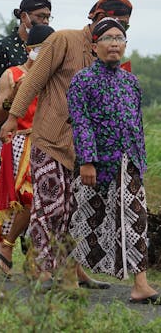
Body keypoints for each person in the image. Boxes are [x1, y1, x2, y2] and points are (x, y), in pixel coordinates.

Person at [0, 0, 133, 289]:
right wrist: (12, 118)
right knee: (50, 208)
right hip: (50, 140)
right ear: (94, 18)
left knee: (75, 212)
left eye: (121, 28)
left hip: (84, 150)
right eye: (109, 22)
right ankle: (40, 271)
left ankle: (72, 271)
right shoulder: (64, 40)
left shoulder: (108, 54)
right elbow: (33, 80)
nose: (115, 32)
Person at [67, 18, 160, 304]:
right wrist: (87, 161)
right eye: (108, 38)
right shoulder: (82, 80)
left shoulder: (131, 81)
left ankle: (140, 284)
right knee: (83, 218)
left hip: (127, 162)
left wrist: (140, 161)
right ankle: (71, 274)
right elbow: (80, 123)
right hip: (94, 164)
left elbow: (137, 124)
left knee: (136, 219)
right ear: (95, 46)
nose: (115, 43)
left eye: (119, 38)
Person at [0, 0, 52, 260]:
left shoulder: (52, 57)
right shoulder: (5, 49)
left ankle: (24, 255)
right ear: (23, 16)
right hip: (14, 135)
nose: (43, 20)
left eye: (47, 17)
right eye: (40, 16)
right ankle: (0, 245)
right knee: (18, 197)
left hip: (46, 138)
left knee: (37, 199)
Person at [0, 24, 54, 276]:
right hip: (20, 142)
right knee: (26, 200)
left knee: (45, 204)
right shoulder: (12, 74)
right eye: (41, 49)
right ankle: (5, 245)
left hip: (48, 143)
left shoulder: (55, 77)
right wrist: (15, 94)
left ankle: (34, 260)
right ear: (29, 50)